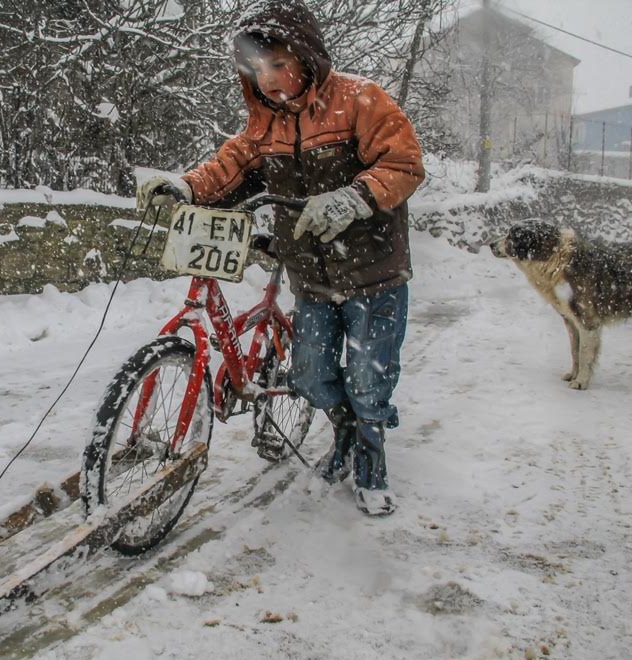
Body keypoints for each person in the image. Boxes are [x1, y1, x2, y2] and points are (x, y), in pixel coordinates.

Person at [136, 0, 424, 516]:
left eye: (278, 65)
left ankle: (370, 460)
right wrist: (182, 186)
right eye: (256, 70)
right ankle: (344, 431)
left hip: (374, 273)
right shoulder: (262, 125)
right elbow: (227, 168)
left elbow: (403, 162)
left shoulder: (361, 100)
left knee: (367, 378)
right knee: (310, 374)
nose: (268, 80)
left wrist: (355, 197)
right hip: (312, 277)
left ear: (307, 55)